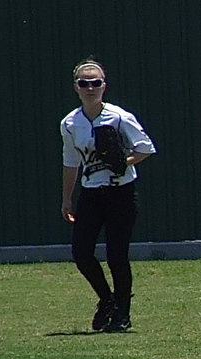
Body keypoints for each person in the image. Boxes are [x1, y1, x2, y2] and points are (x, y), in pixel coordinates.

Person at [61, 59, 157, 333]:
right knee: (81, 253)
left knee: (117, 255)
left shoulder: (118, 116)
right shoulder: (70, 123)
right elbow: (70, 161)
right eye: (84, 83)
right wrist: (67, 198)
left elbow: (146, 147)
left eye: (95, 83)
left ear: (104, 86)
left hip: (120, 192)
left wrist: (124, 161)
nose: (90, 88)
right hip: (91, 193)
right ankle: (107, 300)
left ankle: (122, 315)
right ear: (76, 88)